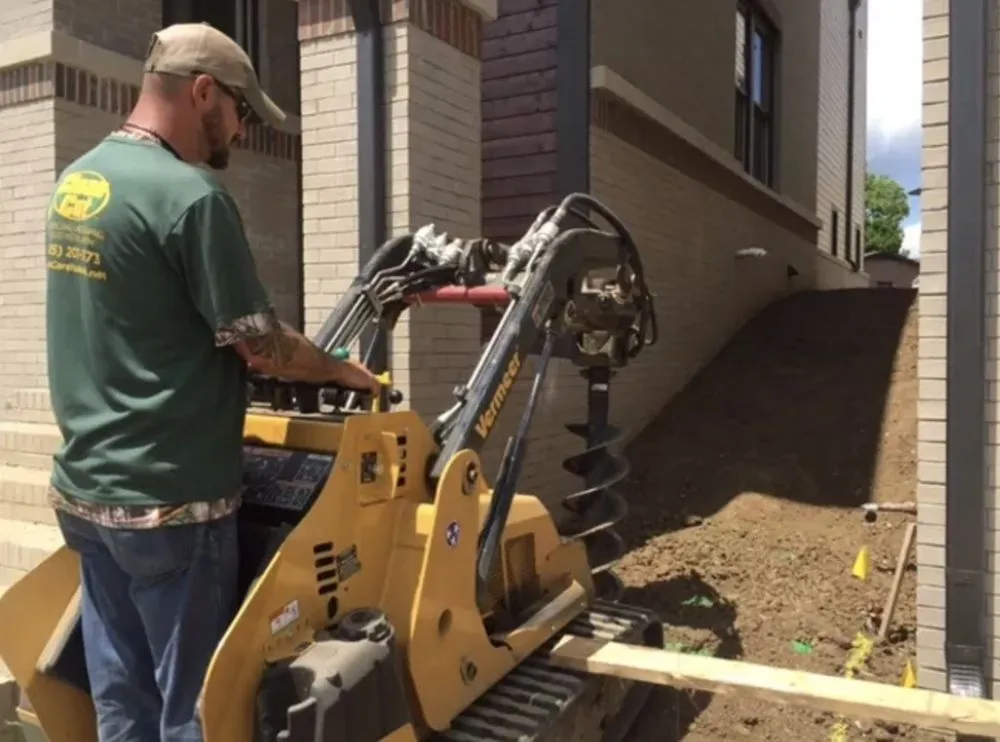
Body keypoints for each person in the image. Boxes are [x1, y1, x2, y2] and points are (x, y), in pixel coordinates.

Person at [44, 22, 379, 742]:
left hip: (88, 493)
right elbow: (261, 346)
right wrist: (343, 370)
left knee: (121, 695)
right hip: (174, 501)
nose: (243, 130)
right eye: (240, 111)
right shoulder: (191, 198)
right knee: (197, 707)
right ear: (203, 93)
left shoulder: (80, 183)